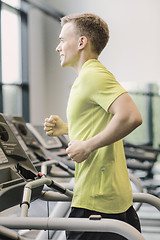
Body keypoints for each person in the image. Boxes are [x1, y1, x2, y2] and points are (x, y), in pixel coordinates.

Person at [44, 13, 143, 240]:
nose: (58, 47)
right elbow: (103, 122)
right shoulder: (88, 77)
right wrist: (67, 128)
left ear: (81, 42)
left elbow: (131, 116)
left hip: (97, 202)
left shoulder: (92, 75)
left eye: (62, 40)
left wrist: (87, 146)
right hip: (108, 197)